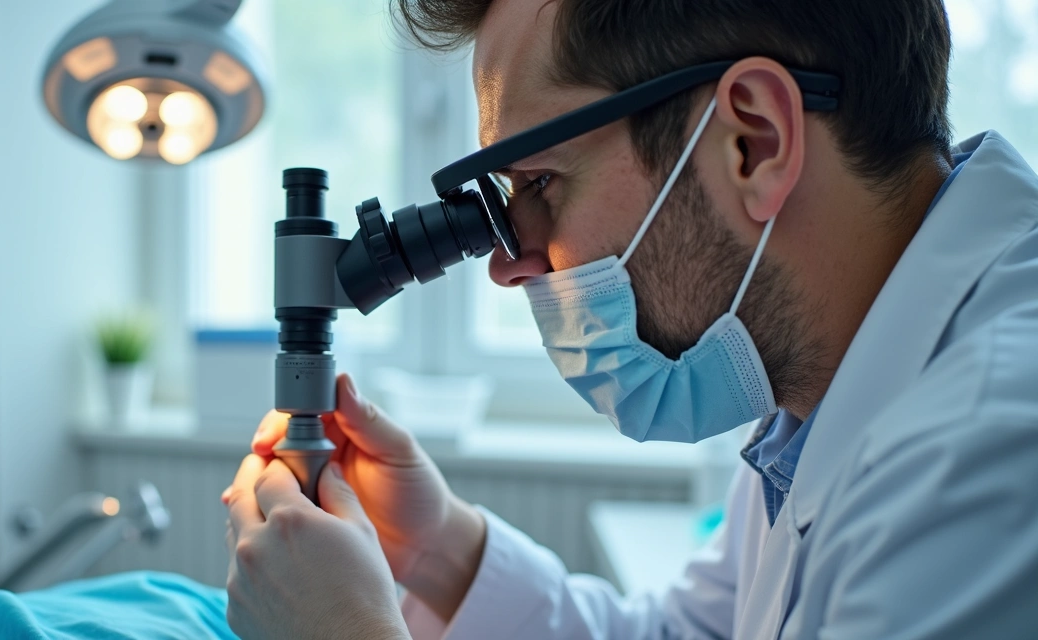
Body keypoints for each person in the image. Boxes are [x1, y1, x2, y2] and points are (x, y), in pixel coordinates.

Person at [221, 0, 1038, 637]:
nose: (512, 264)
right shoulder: (817, 390)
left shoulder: (987, 452)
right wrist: (436, 551)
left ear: (752, 139)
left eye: (540, 185)